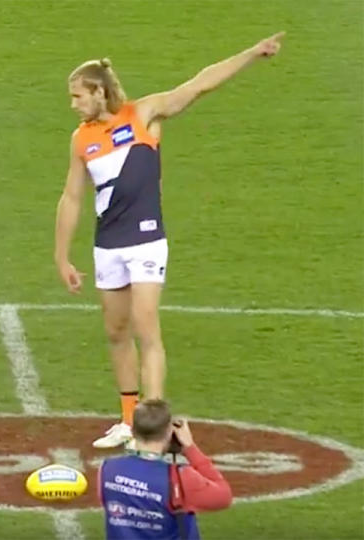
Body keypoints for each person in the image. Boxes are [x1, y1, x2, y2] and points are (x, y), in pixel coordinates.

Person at [53, 32, 286, 448]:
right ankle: (128, 421)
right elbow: (71, 197)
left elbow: (199, 85)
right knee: (116, 331)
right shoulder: (81, 139)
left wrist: (250, 53)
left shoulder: (143, 114)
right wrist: (61, 256)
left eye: (77, 96)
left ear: (98, 92)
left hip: (144, 240)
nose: (72, 105)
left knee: (146, 327)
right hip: (108, 244)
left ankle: (154, 427)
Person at [98, 400, 232, 539]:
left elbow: (107, 501)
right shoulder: (180, 477)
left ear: (132, 430)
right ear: (170, 432)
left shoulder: (108, 468)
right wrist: (190, 448)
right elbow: (224, 497)